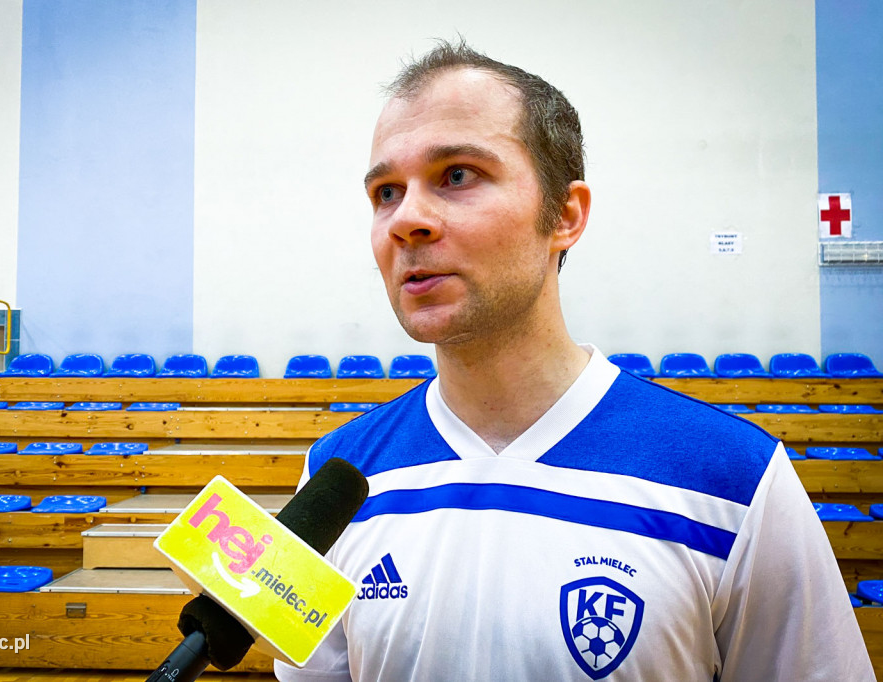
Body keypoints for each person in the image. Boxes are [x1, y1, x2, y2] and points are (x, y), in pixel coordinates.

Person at [275, 40, 874, 681]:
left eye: (457, 175)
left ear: (564, 215)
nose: (407, 219)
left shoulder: (734, 478)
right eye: (386, 192)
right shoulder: (336, 479)